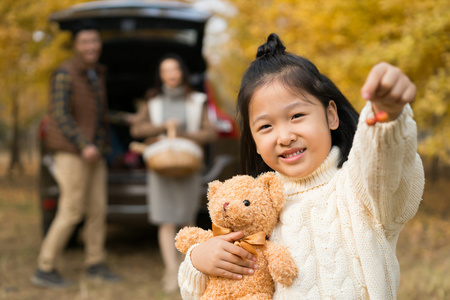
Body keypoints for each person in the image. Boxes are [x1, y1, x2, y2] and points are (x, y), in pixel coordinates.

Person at [177, 33, 424, 299]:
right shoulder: (257, 208)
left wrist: (388, 116)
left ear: (331, 115)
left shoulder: (360, 191)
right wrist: (197, 261)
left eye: (297, 116)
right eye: (265, 126)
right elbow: (220, 289)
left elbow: (383, 166)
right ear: (255, 142)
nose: (284, 137)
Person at [31, 22, 121, 288]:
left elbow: (98, 113)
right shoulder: (64, 74)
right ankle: (44, 267)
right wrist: (84, 144)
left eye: (94, 41)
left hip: (95, 152)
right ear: (76, 46)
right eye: (85, 42)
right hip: (72, 151)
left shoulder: (96, 73)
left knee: (97, 210)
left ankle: (95, 263)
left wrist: (131, 118)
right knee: (71, 210)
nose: (91, 46)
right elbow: (60, 114)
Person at [130, 54, 217, 293]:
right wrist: (162, 127)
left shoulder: (197, 100)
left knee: (186, 217)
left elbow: (210, 133)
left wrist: (183, 134)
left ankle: (187, 268)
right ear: (161, 75)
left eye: (175, 69)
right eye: (165, 70)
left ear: (182, 72)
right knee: (165, 219)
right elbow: (137, 128)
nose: (171, 74)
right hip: (160, 167)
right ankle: (170, 271)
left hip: (188, 165)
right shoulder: (153, 101)